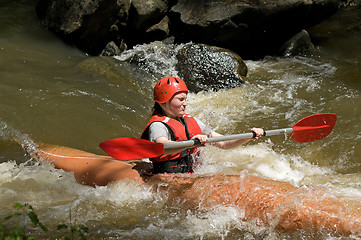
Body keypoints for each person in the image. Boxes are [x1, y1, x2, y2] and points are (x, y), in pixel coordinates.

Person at [141, 76, 264, 174]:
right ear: (163, 103)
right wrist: (191, 143)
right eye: (181, 99)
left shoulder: (191, 121)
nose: (185, 104)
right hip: (168, 178)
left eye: (186, 99)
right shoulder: (158, 126)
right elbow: (164, 146)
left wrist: (249, 136)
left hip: (192, 173)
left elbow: (224, 143)